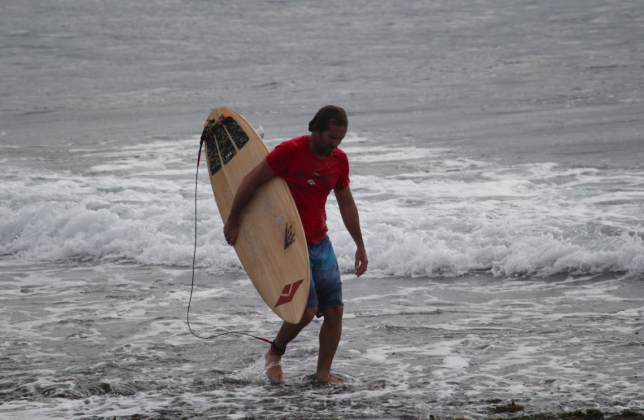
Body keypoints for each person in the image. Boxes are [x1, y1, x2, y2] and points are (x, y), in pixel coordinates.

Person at [223, 105, 368, 383]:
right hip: (288, 243)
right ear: (315, 129)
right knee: (306, 310)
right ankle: (275, 353)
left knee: (335, 310)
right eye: (331, 138)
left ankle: (322, 376)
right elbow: (250, 181)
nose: (335, 144)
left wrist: (359, 244)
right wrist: (234, 220)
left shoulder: (339, 160)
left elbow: (346, 202)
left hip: (319, 242)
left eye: (340, 139)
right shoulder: (290, 151)